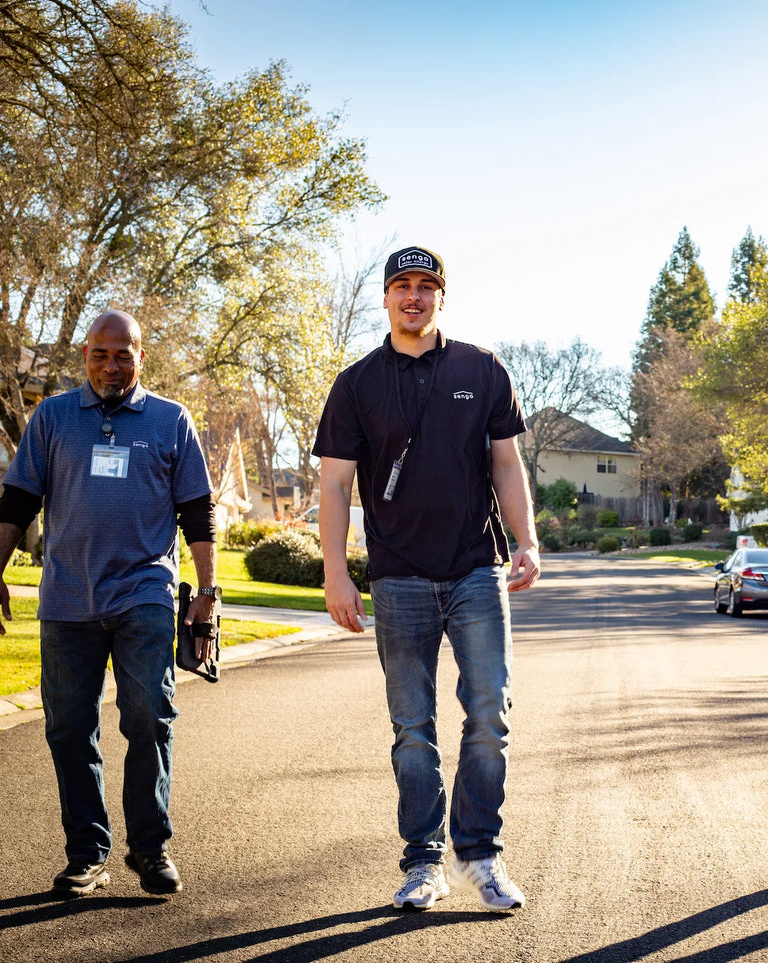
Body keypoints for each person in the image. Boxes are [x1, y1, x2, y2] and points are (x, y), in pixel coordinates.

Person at [313, 245, 540, 913]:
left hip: (476, 566)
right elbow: (333, 485)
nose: (413, 296)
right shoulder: (356, 383)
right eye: (402, 286)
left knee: (489, 715)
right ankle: (423, 863)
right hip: (399, 577)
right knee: (412, 726)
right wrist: (336, 573)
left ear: (442, 296)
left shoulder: (481, 367)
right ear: (384, 297)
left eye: (426, 286)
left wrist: (526, 541)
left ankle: (480, 853)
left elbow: (505, 465)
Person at [0, 310, 218, 898]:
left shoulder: (170, 420)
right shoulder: (54, 417)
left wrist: (208, 593)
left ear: (141, 356)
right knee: (68, 726)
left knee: (147, 716)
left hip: (145, 593)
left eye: (124, 354)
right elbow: (16, 500)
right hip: (67, 597)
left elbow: (197, 511)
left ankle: (151, 848)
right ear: (85, 355)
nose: (112, 365)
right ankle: (87, 855)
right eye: (100, 354)